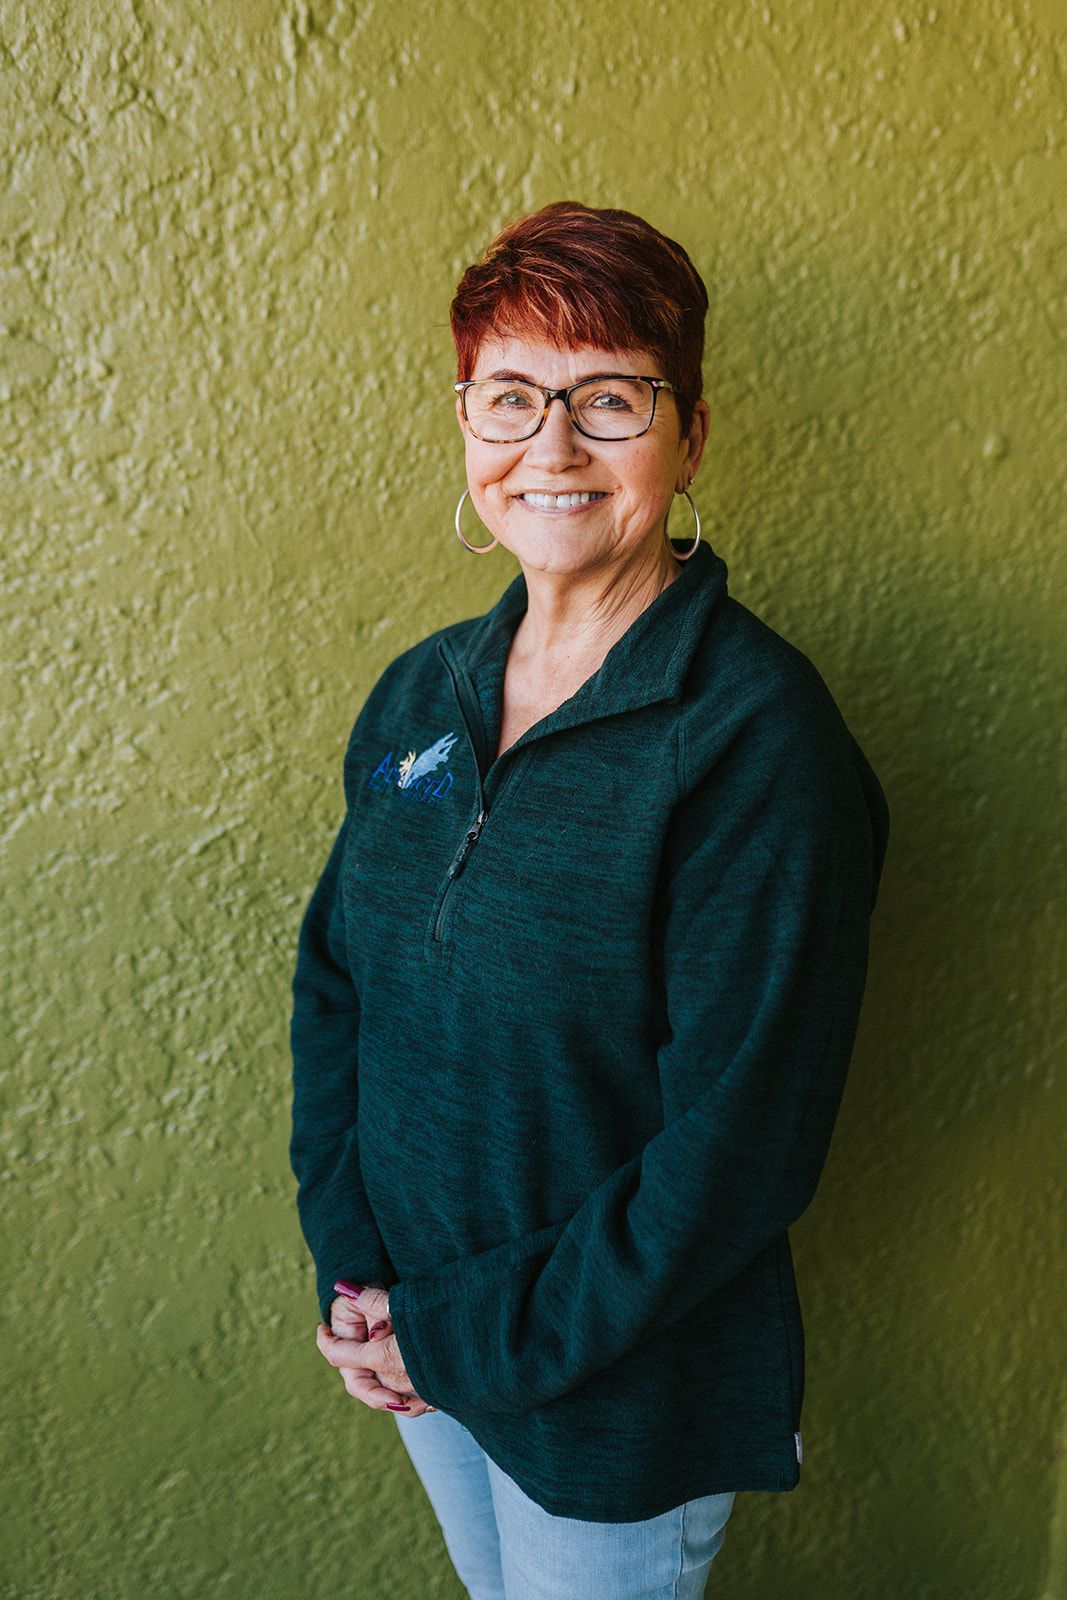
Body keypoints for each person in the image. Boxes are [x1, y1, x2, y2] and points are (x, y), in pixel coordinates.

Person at [290, 200, 890, 1599]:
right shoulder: (423, 688)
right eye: (511, 398)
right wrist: (358, 1275)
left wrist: (454, 1336)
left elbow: (735, 1151)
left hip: (618, 1392)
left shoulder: (755, 741)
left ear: (688, 435)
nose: (549, 447)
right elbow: (339, 985)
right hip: (420, 1342)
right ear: (466, 426)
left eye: (607, 397)